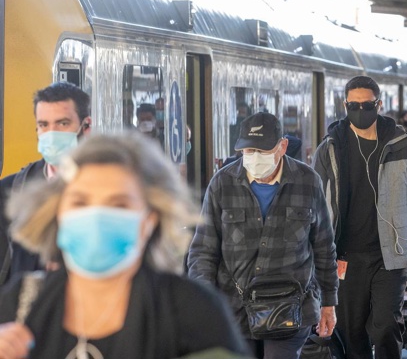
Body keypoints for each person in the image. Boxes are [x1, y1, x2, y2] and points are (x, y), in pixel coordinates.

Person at [0, 132, 249, 358]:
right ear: (56, 213)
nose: (96, 216)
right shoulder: (20, 303)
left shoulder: (193, 310)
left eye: (118, 204)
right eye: (80, 202)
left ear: (149, 220)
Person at [188, 112, 338, 359]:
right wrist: (204, 304)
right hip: (234, 308)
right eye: (248, 152)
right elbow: (203, 251)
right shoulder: (222, 183)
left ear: (283, 146)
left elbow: (323, 246)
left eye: (263, 151)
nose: (255, 158)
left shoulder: (307, 181)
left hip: (291, 308)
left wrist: (328, 304)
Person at [312, 76, 407, 359]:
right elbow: (314, 205)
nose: (360, 110)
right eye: (353, 105)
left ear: (379, 104)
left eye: (366, 104)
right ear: (345, 105)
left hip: (390, 256)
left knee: (384, 327)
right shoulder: (330, 147)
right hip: (344, 257)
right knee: (350, 333)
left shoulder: (400, 143)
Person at [0, 82, 92, 286]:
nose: (52, 133)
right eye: (43, 125)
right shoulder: (10, 191)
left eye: (62, 123)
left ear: (86, 127)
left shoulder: (112, 189)